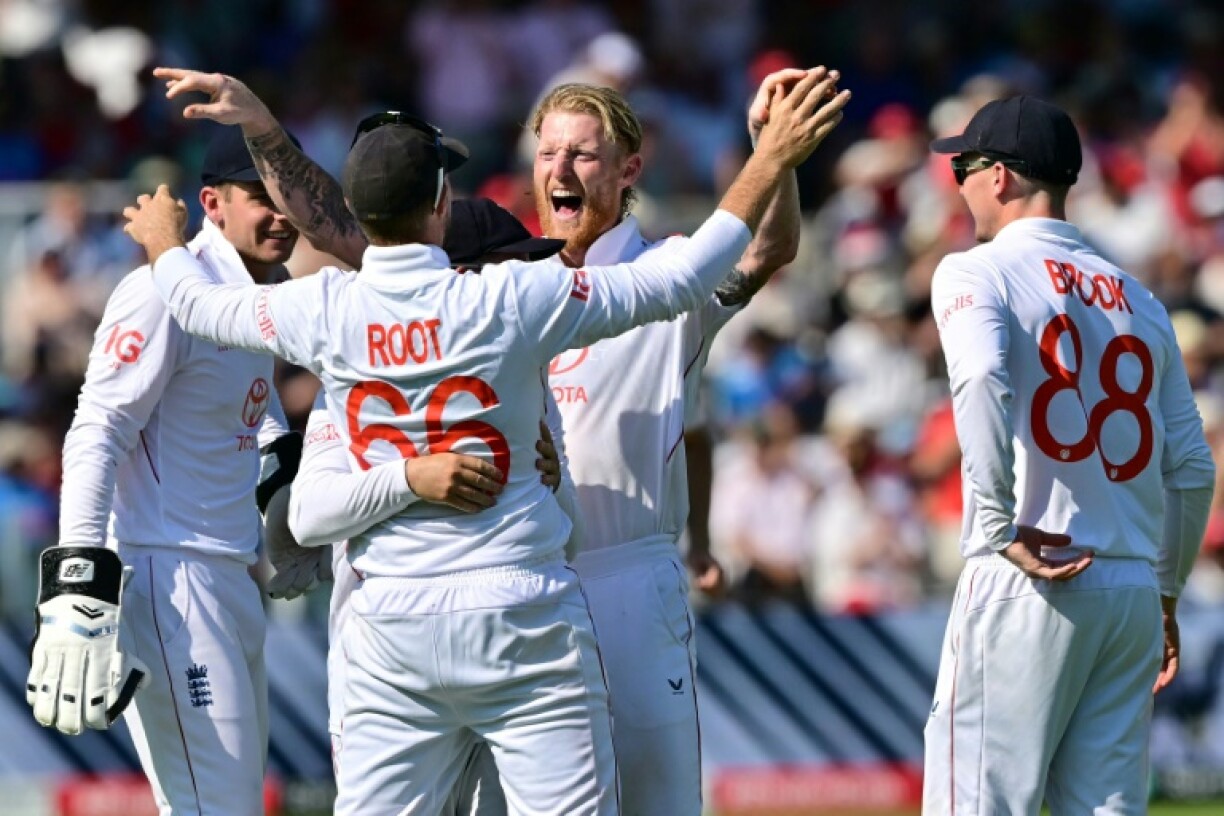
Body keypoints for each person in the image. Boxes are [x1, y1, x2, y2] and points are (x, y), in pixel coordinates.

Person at [122, 71, 844, 815]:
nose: (558, 170)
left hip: (586, 580)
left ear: (629, 167)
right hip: (519, 592)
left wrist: (166, 244)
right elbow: (346, 234)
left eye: (582, 154)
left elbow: (208, 302)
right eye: (547, 151)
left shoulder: (358, 303)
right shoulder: (518, 293)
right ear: (442, 208)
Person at [924, 95, 1216, 815]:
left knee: (977, 803)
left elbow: (984, 379)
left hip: (1031, 568)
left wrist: (991, 527)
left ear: (1001, 177)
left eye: (964, 164)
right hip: (1130, 588)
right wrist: (1166, 589)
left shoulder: (975, 272)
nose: (957, 180)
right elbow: (1193, 467)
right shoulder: (1139, 297)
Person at [26, 126, 305, 816]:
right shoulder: (163, 290)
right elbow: (98, 427)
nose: (280, 213)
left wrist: (290, 507)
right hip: (169, 580)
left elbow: (253, 419)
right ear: (212, 202)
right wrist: (77, 584)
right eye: (259, 196)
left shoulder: (249, 297)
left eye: (289, 195)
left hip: (228, 578)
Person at [276, 198, 574, 816]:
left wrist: (558, 477)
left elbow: (559, 522)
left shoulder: (524, 384)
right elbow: (307, 517)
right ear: (461, 276)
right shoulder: (356, 380)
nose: (524, 283)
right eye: (510, 266)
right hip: (386, 663)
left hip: (503, 646)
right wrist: (410, 478)